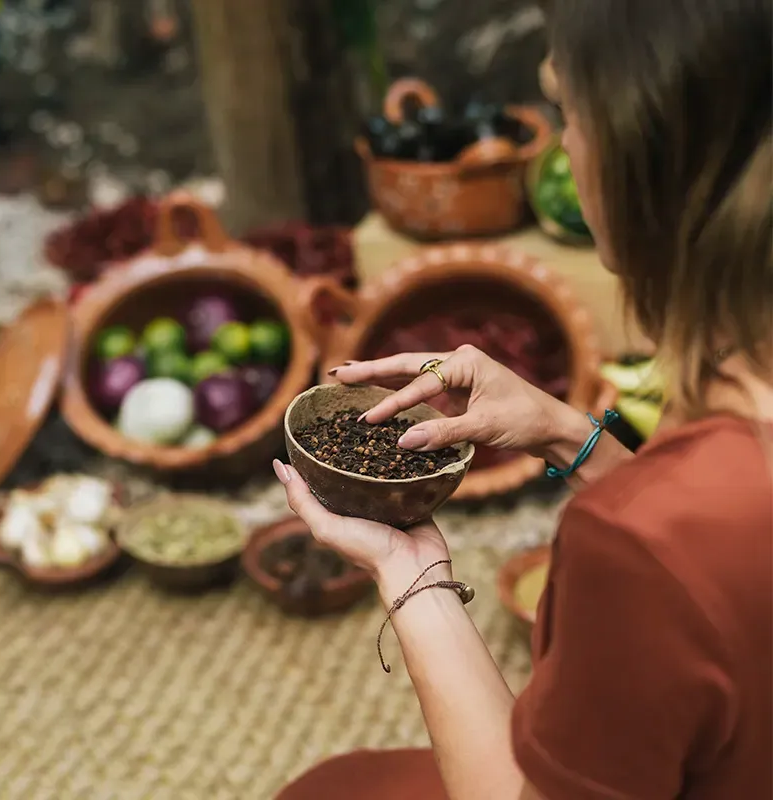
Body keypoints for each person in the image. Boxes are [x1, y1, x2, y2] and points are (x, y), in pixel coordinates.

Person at [274, 0, 772, 796]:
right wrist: (572, 436)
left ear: (638, 147)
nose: (564, 145)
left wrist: (413, 574)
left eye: (566, 110)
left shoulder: (637, 542)